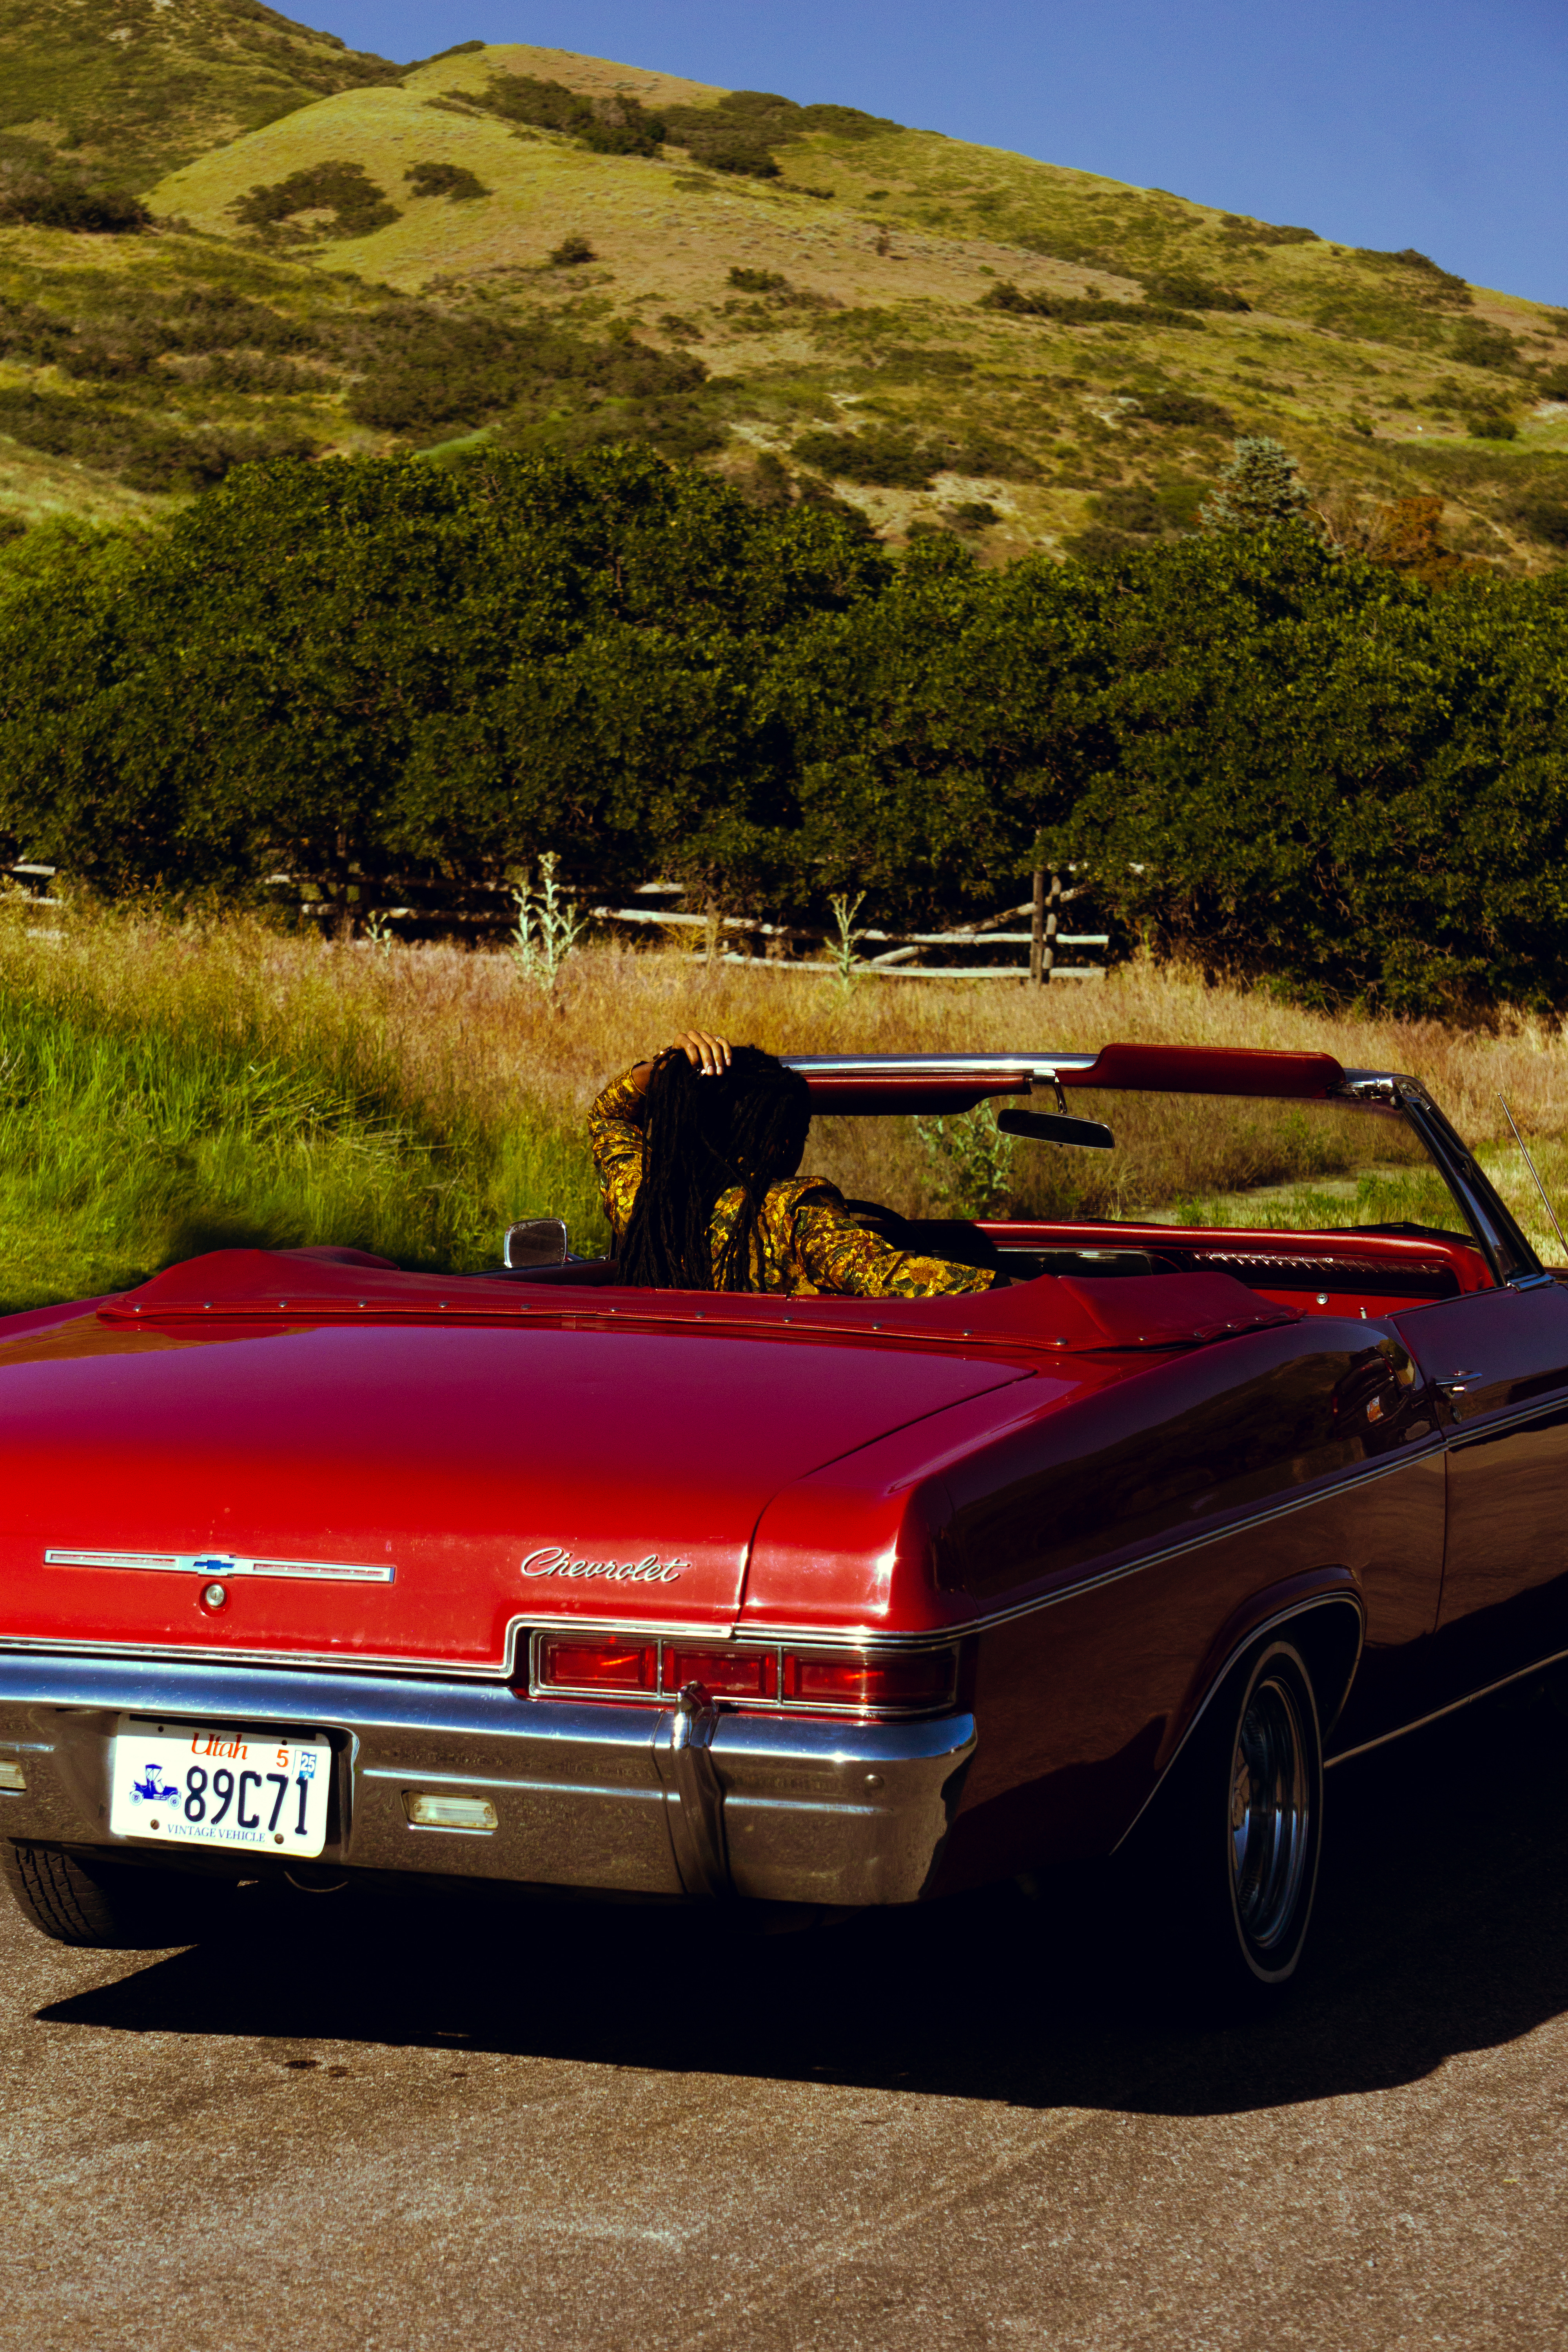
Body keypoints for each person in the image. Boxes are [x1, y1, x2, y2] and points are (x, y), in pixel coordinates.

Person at [589, 1029, 995, 1299]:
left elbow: (609, 1118)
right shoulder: (794, 1214)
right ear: (781, 1144)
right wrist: (1009, 1285)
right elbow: (887, 1276)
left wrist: (667, 1069)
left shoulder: (643, 1203)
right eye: (799, 1134)